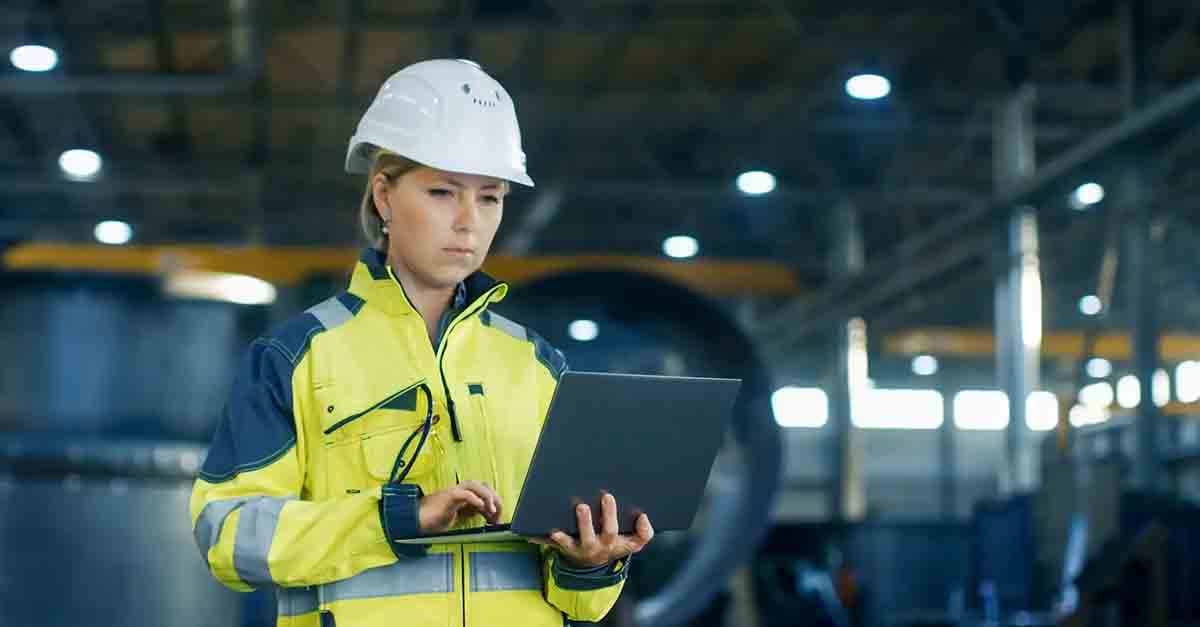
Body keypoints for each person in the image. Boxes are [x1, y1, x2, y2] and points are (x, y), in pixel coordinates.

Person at [189, 59, 654, 627]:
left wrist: (592, 564)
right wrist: (393, 520)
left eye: (490, 198)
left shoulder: (538, 366)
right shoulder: (294, 359)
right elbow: (228, 535)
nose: (468, 222)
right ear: (383, 197)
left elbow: (582, 603)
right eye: (442, 192)